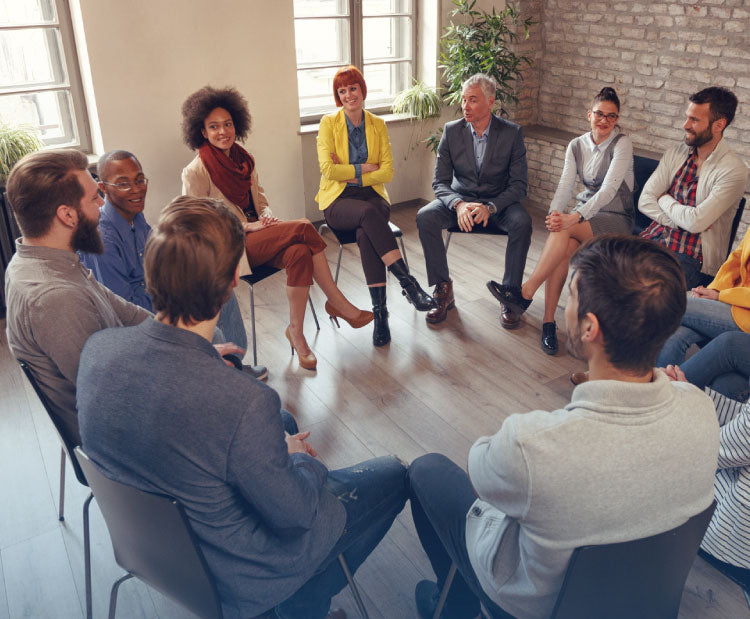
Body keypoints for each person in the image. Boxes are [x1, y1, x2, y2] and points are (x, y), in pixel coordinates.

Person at [76, 196, 408, 619]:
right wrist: (298, 459)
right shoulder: (244, 401)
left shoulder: (97, 351)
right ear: (235, 277)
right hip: (244, 574)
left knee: (282, 423)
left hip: (160, 554)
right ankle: (302, 601)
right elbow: (297, 514)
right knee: (396, 473)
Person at [407, 235, 719, 619]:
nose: (562, 307)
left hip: (530, 607)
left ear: (589, 328)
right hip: (645, 601)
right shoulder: (701, 410)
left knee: (426, 470)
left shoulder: (531, 445)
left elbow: (480, 471)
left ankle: (453, 607)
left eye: (569, 296)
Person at [181, 86, 372, 371]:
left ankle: (296, 333)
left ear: (237, 125)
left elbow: (261, 200)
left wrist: (267, 217)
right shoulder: (195, 171)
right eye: (214, 127)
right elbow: (196, 225)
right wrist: (249, 225)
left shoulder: (244, 160)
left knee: (299, 253)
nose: (223, 132)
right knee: (305, 226)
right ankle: (337, 302)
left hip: (260, 236)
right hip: (231, 249)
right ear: (202, 132)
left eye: (228, 124)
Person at [3, 149, 153, 445]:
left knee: (209, 343)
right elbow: (115, 396)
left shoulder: (48, 261)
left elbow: (130, 313)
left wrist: (184, 344)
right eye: (95, 198)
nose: (102, 204)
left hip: (123, 391)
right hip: (121, 440)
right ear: (68, 215)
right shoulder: (55, 299)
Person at [79, 149, 261, 377]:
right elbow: (123, 309)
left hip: (158, 297)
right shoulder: (102, 238)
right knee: (213, 329)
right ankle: (227, 372)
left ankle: (234, 367)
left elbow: (159, 264)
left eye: (139, 180)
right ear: (103, 188)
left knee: (218, 282)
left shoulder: (135, 216)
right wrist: (175, 301)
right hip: (141, 320)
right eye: (123, 184)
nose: (136, 189)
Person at [492, 87, 634, 354]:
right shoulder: (576, 145)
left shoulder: (622, 144)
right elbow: (565, 186)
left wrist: (574, 217)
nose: (604, 121)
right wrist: (554, 215)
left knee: (564, 230)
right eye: (599, 114)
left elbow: (608, 191)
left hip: (616, 217)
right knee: (563, 242)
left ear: (617, 119)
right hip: (586, 215)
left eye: (611, 116)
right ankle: (548, 322)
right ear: (589, 114)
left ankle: (525, 293)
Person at [316, 65, 434, 347]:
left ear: (362, 90)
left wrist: (349, 171)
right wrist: (365, 168)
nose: (348, 95)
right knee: (367, 216)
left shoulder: (377, 124)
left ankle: (381, 314)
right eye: (341, 91)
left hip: (373, 196)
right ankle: (408, 284)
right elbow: (327, 170)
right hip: (339, 200)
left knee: (365, 232)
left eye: (352, 88)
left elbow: (387, 172)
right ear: (337, 96)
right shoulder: (328, 123)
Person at [416, 73, 531, 327]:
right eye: (464, 99)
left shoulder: (512, 133)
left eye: (473, 100)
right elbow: (440, 182)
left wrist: (491, 206)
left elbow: (519, 185)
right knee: (426, 216)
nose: (465, 106)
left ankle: (510, 294)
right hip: (461, 202)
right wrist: (458, 204)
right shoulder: (451, 131)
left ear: (490, 102)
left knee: (522, 223)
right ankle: (443, 289)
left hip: (498, 204)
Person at [639, 86, 747, 289]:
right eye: (687, 117)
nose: (685, 125)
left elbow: (696, 222)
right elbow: (645, 199)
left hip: (691, 257)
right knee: (605, 274)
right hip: (653, 237)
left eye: (694, 120)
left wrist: (663, 198)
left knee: (644, 292)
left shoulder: (734, 170)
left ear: (719, 125)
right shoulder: (676, 152)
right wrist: (678, 222)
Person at [656, 226, 749, 379]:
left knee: (673, 302)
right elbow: (736, 258)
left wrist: (720, 295)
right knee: (676, 334)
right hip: (733, 300)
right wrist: (713, 290)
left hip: (744, 312)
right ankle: (662, 390)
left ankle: (659, 385)